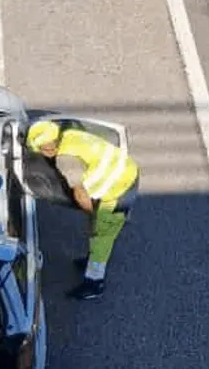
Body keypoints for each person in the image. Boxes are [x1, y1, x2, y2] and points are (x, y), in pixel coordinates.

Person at [26, 119, 140, 301]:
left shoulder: (65, 160)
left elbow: (80, 194)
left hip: (116, 192)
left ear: (47, 148)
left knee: (100, 237)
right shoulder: (71, 136)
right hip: (127, 172)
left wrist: (93, 215)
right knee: (100, 231)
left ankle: (94, 283)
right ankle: (91, 261)